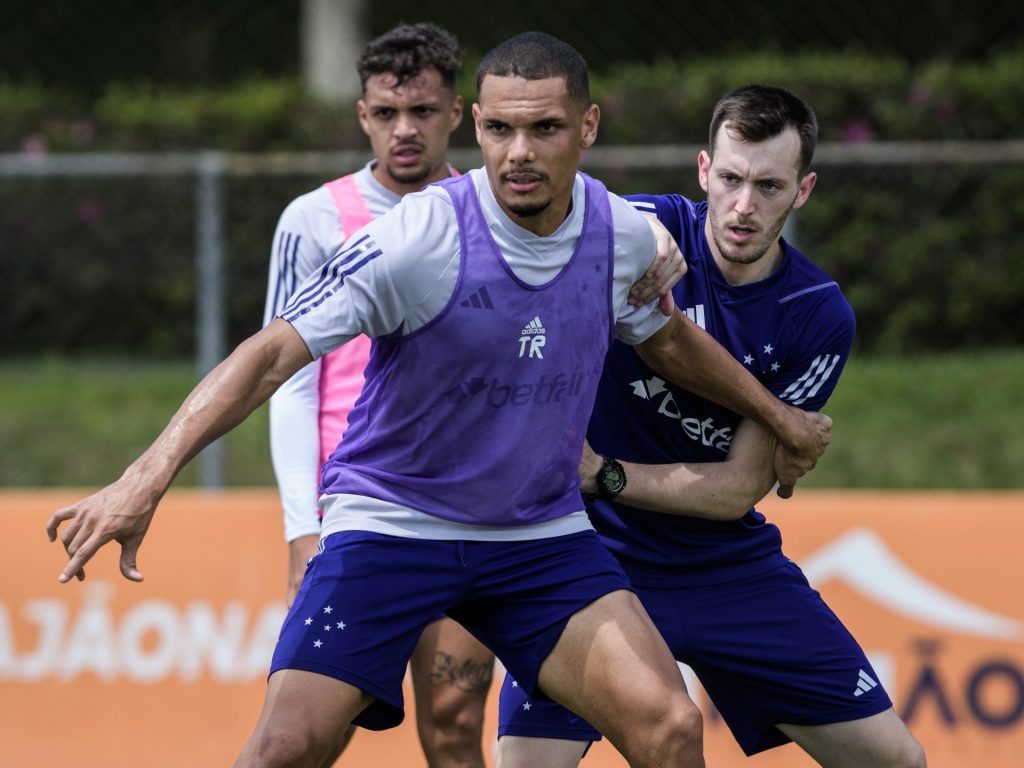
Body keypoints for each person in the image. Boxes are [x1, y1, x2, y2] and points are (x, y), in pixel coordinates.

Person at [47, 36, 832, 768]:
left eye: (546, 129)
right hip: (394, 524)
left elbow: (664, 340)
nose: (519, 154)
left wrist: (777, 414)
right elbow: (269, 358)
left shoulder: (616, 234)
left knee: (671, 727)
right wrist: (144, 478)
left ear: (587, 126)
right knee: (284, 748)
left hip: (539, 538)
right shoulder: (420, 237)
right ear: (479, 127)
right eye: (500, 130)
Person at [496, 85, 926, 768]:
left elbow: (733, 491)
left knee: (896, 760)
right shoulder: (640, 231)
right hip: (587, 558)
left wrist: (599, 473)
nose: (744, 206)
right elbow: (547, 200)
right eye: (729, 179)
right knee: (525, 763)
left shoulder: (817, 314)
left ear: (803, 189)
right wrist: (640, 231)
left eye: (768, 185)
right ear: (703, 170)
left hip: (723, 568)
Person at [263, 22, 495, 767]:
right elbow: (290, 385)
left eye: (423, 112)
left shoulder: (497, 212)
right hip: (355, 515)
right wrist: (304, 525)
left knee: (456, 727)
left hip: (469, 516)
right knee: (309, 737)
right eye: (387, 113)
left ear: (455, 114)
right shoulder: (315, 220)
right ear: (363, 114)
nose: (405, 130)